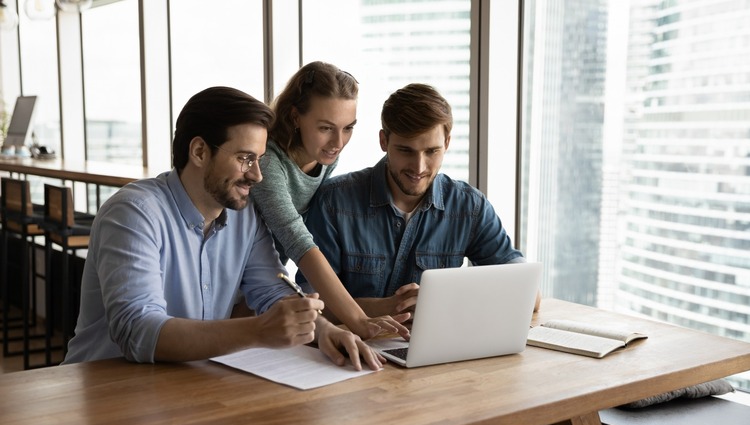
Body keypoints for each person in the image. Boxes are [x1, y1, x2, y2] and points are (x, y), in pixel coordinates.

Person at [62, 86, 383, 371]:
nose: (257, 175)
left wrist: (324, 329)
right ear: (200, 151)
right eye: (245, 158)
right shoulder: (133, 212)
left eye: (259, 159)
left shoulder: (244, 217)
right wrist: (257, 330)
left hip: (187, 386)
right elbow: (137, 332)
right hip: (105, 391)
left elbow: (272, 292)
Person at [302, 83, 540, 319]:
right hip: (355, 350)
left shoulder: (469, 207)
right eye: (406, 150)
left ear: (447, 143)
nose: (419, 167)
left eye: (431, 151)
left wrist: (442, 301)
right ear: (384, 141)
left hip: (441, 350)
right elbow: (313, 305)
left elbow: (530, 295)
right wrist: (392, 307)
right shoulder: (333, 201)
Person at [249, 61, 409, 340]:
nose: (338, 141)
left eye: (348, 128)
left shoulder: (324, 157)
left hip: (263, 287)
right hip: (236, 284)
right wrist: (358, 320)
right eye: (326, 128)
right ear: (295, 117)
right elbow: (298, 241)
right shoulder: (268, 162)